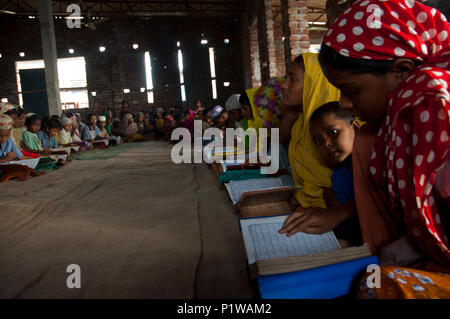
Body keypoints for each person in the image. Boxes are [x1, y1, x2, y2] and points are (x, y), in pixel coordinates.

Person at [318, 0, 449, 285]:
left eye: (351, 90)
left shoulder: (436, 110)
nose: (344, 103)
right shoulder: (384, 132)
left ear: (402, 71)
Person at [279, 102, 361, 247]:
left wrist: (337, 214)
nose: (327, 143)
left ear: (354, 128)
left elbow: (379, 203)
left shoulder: (375, 163)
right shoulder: (339, 176)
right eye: (318, 141)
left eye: (333, 132)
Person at [279, 52, 340, 209]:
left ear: (313, 84)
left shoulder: (333, 127)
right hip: (306, 205)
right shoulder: (300, 122)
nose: (284, 85)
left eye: (293, 79)